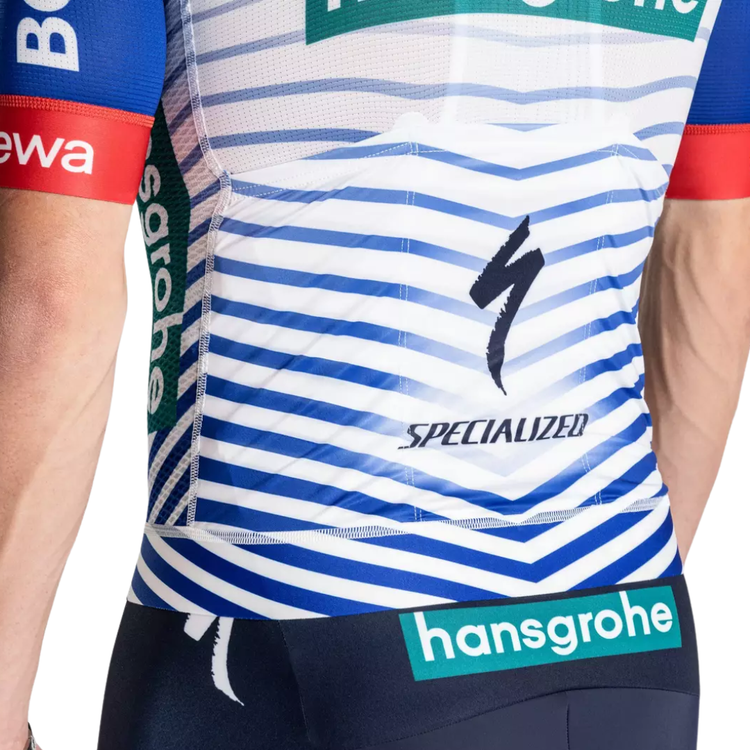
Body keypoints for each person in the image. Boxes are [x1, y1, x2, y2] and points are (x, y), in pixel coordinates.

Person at [1, 0, 749, 748]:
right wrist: (587, 603)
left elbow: (53, 301)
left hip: (294, 614)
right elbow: (716, 263)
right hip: (627, 618)